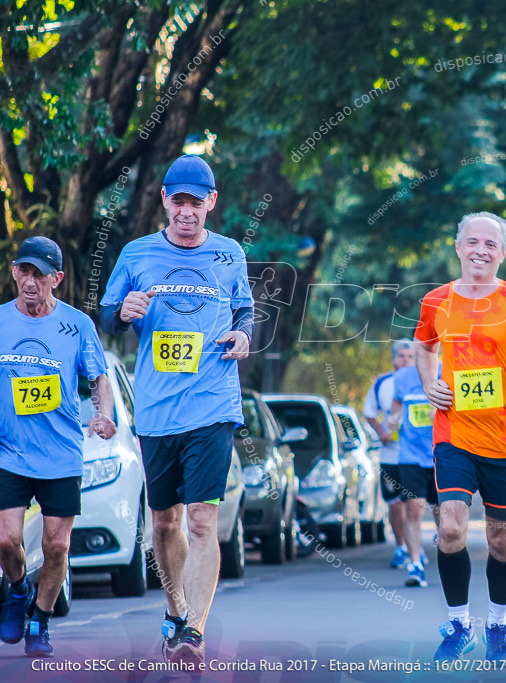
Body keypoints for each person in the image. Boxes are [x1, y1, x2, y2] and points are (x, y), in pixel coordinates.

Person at [100, 154, 254, 665]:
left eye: (197, 202)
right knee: (164, 523)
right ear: (165, 200)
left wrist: (243, 335)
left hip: (213, 406)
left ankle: (194, 631)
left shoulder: (231, 253)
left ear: (212, 203)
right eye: (179, 201)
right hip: (157, 411)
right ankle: (176, 606)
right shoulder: (136, 253)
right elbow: (107, 314)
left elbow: (246, 309)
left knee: (202, 523)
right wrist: (123, 311)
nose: (187, 212)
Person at [415, 211, 506, 661]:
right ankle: (460, 625)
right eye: (472, 242)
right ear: (457, 247)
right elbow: (423, 344)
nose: (480, 251)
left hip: (505, 439)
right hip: (453, 433)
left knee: (501, 537)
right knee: (451, 527)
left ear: (503, 253)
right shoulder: (437, 301)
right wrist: (427, 382)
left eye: (490, 245)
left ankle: (497, 624)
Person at [0, 237, 115, 658]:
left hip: (61, 454)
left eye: (40, 274)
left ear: (58, 279)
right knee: (6, 540)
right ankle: (16, 590)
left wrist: (102, 414)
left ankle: (39, 620)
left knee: (57, 546)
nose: (31, 282)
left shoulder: (77, 325)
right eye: (24, 272)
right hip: (8, 451)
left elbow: (98, 377)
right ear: (14, 272)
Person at [364, 339, 415, 568]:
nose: (406, 360)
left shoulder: (423, 380)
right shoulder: (382, 383)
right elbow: (369, 412)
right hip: (390, 455)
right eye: (402, 356)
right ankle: (400, 546)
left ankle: (417, 548)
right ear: (394, 358)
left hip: (416, 455)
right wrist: (382, 432)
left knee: (415, 503)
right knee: (395, 504)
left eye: (410, 356)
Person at [390, 363, 440, 587]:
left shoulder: (448, 370)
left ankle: (448, 553)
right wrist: (393, 418)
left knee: (445, 515)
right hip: (410, 455)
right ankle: (415, 564)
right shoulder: (402, 377)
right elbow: (397, 407)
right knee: (413, 507)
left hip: (443, 453)